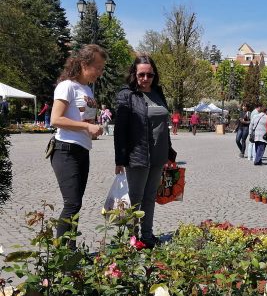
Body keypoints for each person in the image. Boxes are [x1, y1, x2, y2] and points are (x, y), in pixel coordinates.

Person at [114, 54, 175, 248]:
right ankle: (133, 238)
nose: (145, 79)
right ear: (134, 74)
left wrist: (170, 152)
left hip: (158, 155)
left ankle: (147, 235)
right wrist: (120, 159)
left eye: (150, 75)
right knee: (135, 199)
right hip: (137, 154)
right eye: (141, 75)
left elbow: (163, 125)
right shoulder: (127, 95)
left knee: (150, 197)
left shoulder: (158, 92)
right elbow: (120, 129)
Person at [50, 44, 105, 245]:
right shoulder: (67, 86)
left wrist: (92, 128)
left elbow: (83, 120)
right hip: (65, 150)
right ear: (83, 63)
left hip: (82, 150)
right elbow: (55, 119)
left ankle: (70, 253)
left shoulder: (87, 89)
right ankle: (61, 258)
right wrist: (85, 127)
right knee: (71, 203)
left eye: (102, 68)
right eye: (97, 67)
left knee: (76, 204)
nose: (100, 72)